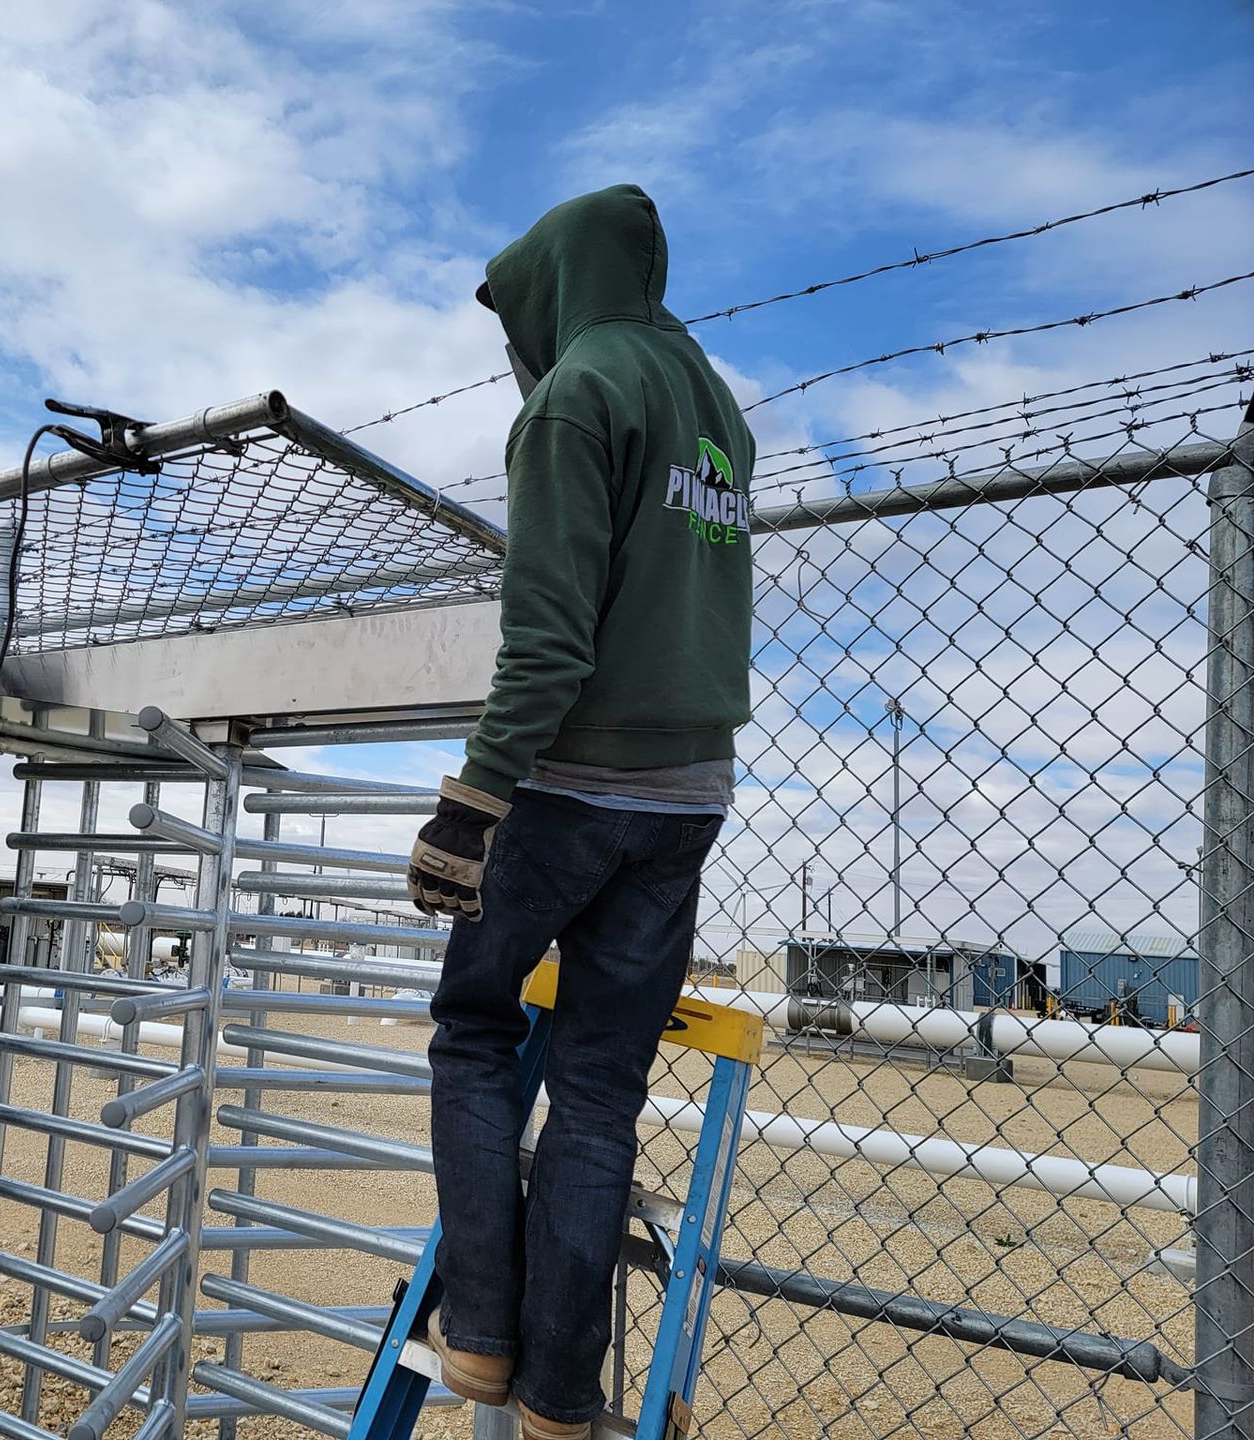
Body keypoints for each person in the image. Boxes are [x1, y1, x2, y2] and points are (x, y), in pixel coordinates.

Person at [407, 185, 754, 1439]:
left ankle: (486, 1339)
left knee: (471, 1026)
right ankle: (564, 1392)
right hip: (691, 794)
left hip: (567, 789)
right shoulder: (709, 400)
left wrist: (469, 805)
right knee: (602, 1085)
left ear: (549, 284)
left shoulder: (575, 399)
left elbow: (548, 646)